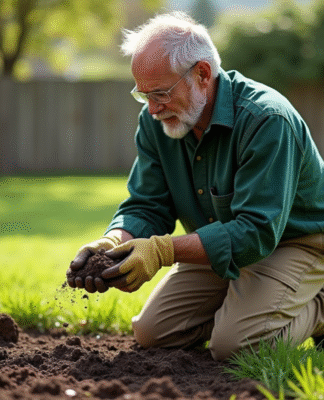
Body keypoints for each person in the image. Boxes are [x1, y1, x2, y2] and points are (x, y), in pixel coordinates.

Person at [67, 12, 324, 361]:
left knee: (236, 347)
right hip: (220, 242)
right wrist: (115, 242)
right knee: (153, 333)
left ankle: (318, 307)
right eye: (143, 96)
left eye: (160, 93)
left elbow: (257, 232)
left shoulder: (266, 120)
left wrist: (162, 251)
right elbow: (147, 204)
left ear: (202, 74)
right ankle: (247, 304)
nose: (153, 109)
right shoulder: (158, 121)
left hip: (295, 243)